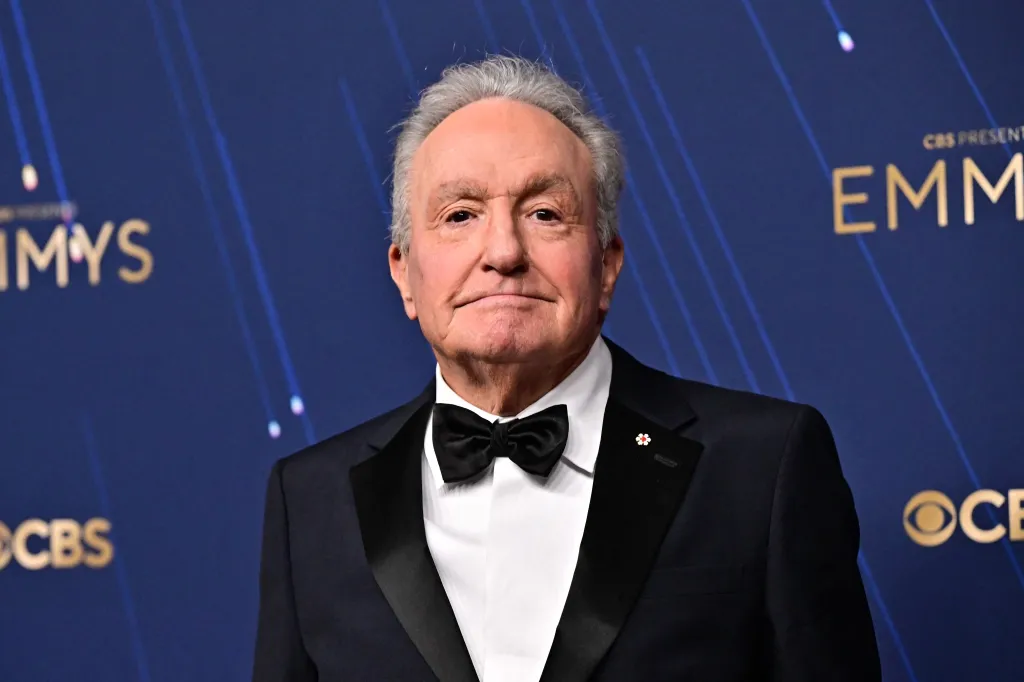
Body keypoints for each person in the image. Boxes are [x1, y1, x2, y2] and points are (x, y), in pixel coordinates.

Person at [252, 55, 881, 682]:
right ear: (404, 274)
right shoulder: (310, 499)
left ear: (606, 265)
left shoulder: (761, 465)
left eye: (545, 214)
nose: (503, 252)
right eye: (460, 215)